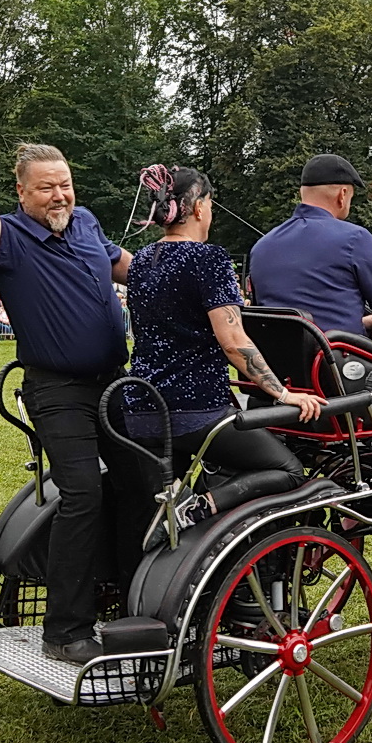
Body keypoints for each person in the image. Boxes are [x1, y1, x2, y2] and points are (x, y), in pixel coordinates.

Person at [0, 120, 148, 666]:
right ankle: (66, 630)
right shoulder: (8, 236)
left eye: (65, 183)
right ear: (22, 191)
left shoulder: (89, 224)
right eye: (46, 186)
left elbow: (135, 270)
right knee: (82, 494)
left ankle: (126, 597)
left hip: (114, 384)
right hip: (58, 390)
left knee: (141, 487)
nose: (59, 195)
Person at [122, 165, 324, 539]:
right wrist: (282, 392)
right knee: (289, 470)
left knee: (155, 507)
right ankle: (204, 507)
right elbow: (233, 340)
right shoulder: (209, 259)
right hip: (196, 412)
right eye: (210, 203)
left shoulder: (142, 260)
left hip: (142, 408)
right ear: (198, 207)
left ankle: (187, 518)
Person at [248, 153, 372, 341]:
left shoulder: (261, 247)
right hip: (336, 365)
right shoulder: (355, 239)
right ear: (342, 195)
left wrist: (360, 324)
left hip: (279, 365)